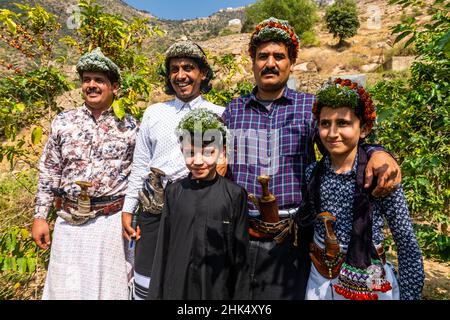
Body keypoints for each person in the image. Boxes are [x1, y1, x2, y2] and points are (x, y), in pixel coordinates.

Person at [222, 17, 402, 300]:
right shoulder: (233, 110)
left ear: (291, 62)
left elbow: (342, 144)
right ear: (252, 62)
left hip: (290, 240)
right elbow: (213, 162)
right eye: (262, 56)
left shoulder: (309, 107)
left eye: (279, 56)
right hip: (240, 236)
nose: (270, 63)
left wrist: (378, 152)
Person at [298, 78, 424, 300]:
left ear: (363, 128)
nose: (332, 132)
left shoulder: (379, 177)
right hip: (320, 280)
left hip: (369, 279)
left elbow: (406, 242)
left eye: (343, 123)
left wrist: (410, 295)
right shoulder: (313, 173)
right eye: (325, 123)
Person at [31, 48, 138, 299]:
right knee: (67, 289)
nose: (91, 85)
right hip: (69, 222)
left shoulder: (131, 126)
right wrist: (40, 216)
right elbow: (50, 170)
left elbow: (138, 176)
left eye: (99, 80)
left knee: (110, 291)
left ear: (114, 86)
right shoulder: (64, 122)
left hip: (110, 224)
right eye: (86, 79)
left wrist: (135, 217)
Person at [121, 41, 224, 300]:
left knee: (189, 283)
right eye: (174, 69)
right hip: (154, 210)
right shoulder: (154, 113)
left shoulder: (219, 114)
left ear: (203, 73)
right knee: (147, 280)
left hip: (198, 211)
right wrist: (128, 208)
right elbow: (141, 164)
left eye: (188, 67)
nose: (181, 75)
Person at [147, 108, 249, 299]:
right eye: (191, 153)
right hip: (177, 286)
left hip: (217, 288)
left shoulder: (234, 195)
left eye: (208, 152)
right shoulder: (174, 192)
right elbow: (163, 249)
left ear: (221, 151)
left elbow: (240, 257)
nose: (198, 161)